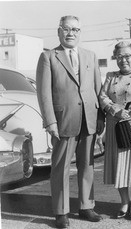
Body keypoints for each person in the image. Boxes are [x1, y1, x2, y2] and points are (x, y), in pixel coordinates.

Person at [36, 15, 105, 228]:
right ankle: (61, 212)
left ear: (80, 33)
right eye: (66, 29)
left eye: (75, 29)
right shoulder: (48, 57)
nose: (71, 33)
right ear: (59, 31)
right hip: (63, 120)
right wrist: (50, 122)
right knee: (60, 167)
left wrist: (101, 117)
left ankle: (86, 206)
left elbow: (98, 89)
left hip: (89, 119)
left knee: (88, 165)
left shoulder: (90, 56)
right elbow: (44, 93)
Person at [99, 41, 131, 220]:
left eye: (127, 56)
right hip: (114, 124)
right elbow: (102, 96)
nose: (124, 60)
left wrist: (129, 112)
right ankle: (124, 201)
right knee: (118, 165)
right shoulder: (110, 76)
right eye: (119, 56)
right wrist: (115, 110)